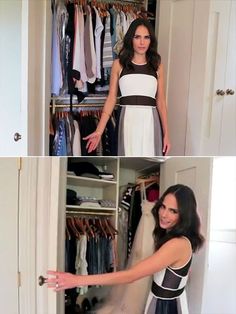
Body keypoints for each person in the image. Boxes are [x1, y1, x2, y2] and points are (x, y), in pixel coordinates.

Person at [47, 184, 204, 314]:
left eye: (173, 211)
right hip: (164, 301)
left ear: (185, 215)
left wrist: (76, 280)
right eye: (163, 206)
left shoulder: (177, 244)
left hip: (166, 307)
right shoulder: (179, 237)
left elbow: (131, 275)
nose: (164, 214)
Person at [83, 18, 171, 156]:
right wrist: (99, 130)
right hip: (127, 120)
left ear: (151, 40)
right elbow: (112, 98)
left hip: (150, 121)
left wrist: (166, 134)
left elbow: (161, 101)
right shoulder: (118, 64)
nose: (142, 42)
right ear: (131, 39)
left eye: (146, 37)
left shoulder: (157, 65)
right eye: (137, 37)